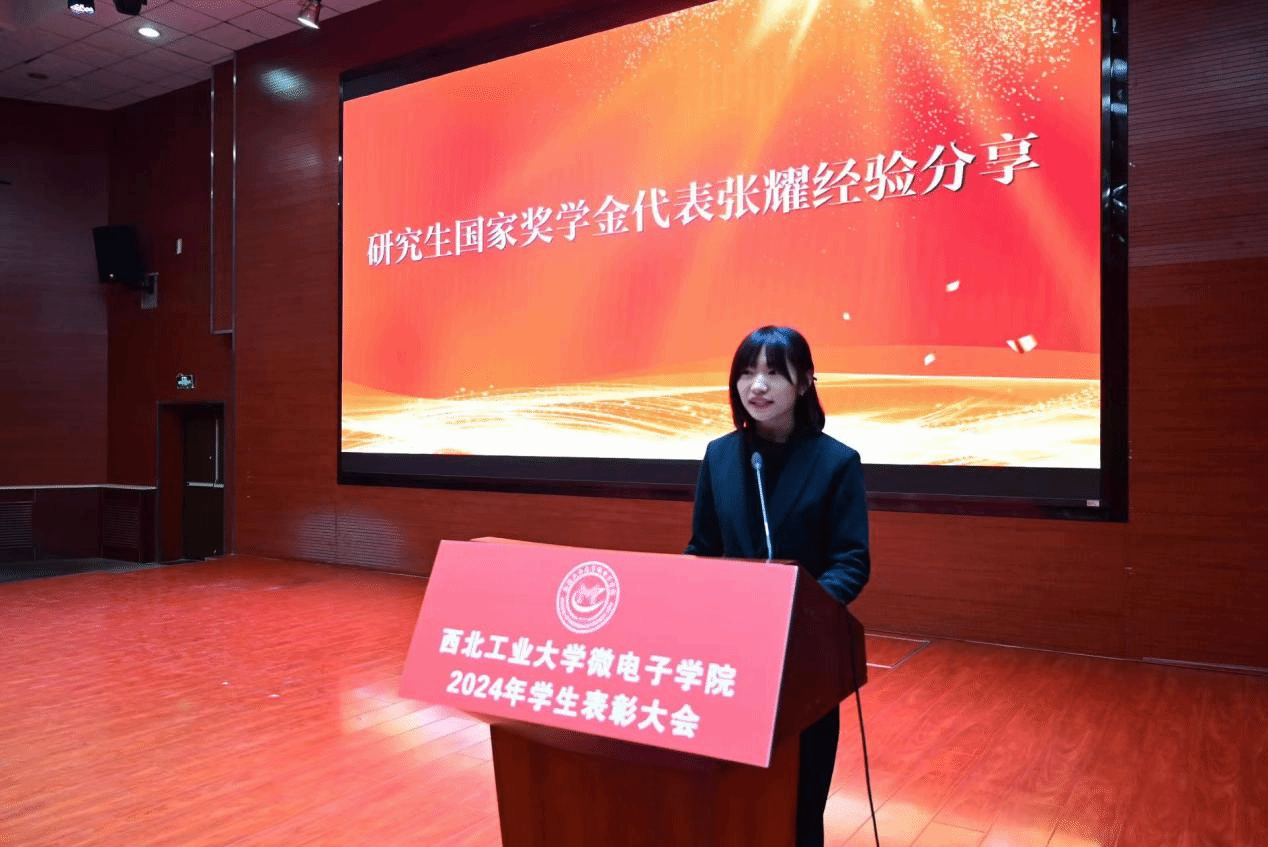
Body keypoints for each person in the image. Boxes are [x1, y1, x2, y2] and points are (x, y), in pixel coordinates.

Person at [685, 325, 870, 847]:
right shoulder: (720, 456)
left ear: (805, 382)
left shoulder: (837, 463)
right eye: (746, 372)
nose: (757, 385)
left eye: (773, 372)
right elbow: (703, 546)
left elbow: (851, 561)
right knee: (736, 789)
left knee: (799, 799)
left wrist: (802, 612)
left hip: (803, 653)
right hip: (732, 652)